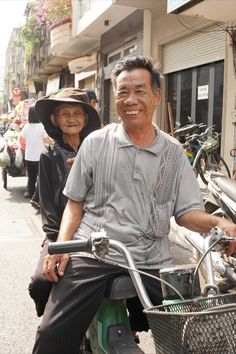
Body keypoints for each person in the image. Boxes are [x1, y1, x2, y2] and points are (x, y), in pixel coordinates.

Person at [32, 56, 236, 354]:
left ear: (156, 96)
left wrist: (219, 223)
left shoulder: (174, 153)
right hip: (94, 256)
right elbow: (74, 204)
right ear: (114, 99)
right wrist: (63, 247)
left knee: (193, 334)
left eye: (139, 91)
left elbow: (187, 215)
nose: (131, 100)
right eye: (122, 92)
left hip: (152, 260)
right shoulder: (96, 143)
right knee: (51, 337)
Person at [28, 88, 101, 317]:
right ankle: (52, 318)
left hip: (98, 232)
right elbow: (49, 210)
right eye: (65, 113)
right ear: (54, 119)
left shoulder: (98, 150)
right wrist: (60, 243)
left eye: (77, 113)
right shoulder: (48, 156)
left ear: (86, 117)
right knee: (41, 282)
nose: (71, 118)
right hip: (60, 234)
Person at [20, 106, 51, 199]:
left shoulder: (26, 127)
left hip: (29, 156)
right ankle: (39, 197)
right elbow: (47, 141)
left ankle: (31, 195)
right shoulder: (41, 127)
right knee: (41, 178)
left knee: (31, 178)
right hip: (40, 157)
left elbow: (24, 141)